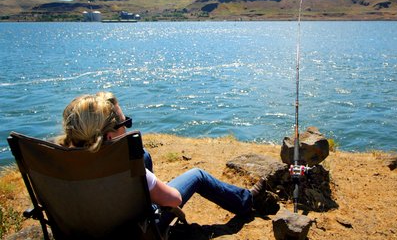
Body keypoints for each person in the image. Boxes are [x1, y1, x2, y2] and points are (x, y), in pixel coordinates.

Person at [56, 91, 266, 222]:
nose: (129, 128)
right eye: (125, 123)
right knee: (198, 175)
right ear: (109, 136)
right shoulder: (124, 165)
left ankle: (148, 193)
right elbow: (174, 199)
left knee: (145, 155)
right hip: (134, 231)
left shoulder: (58, 161)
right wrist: (155, 187)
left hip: (88, 226)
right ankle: (245, 200)